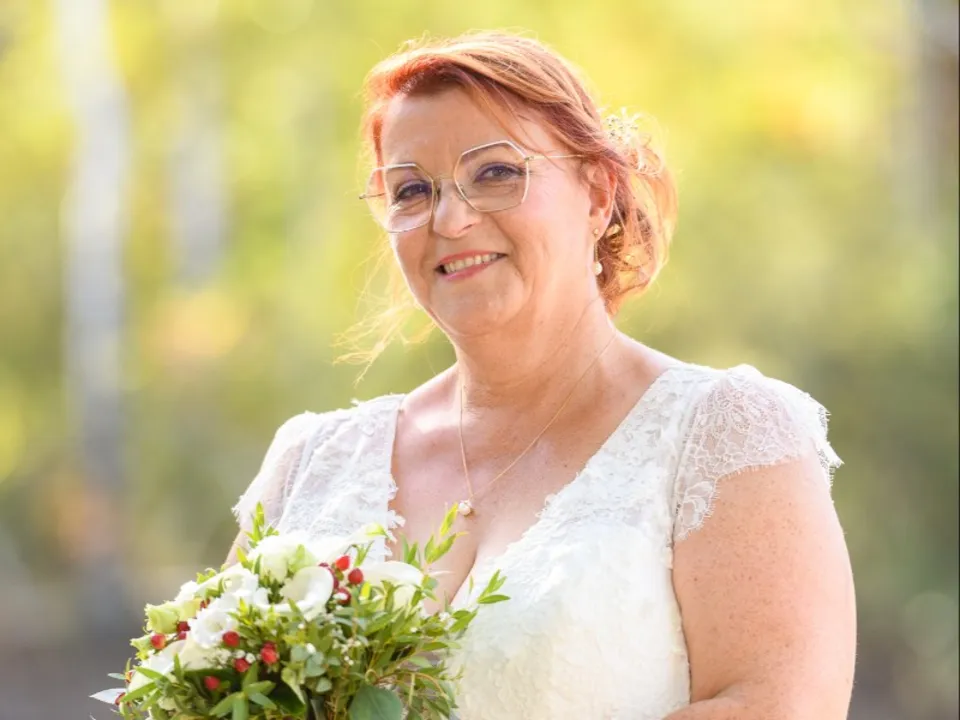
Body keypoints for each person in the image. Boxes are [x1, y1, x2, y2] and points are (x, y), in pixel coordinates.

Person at [228, 31, 856, 720]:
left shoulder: (724, 434)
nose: (450, 219)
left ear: (598, 192)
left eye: (495, 173)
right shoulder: (311, 462)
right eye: (412, 189)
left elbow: (776, 705)